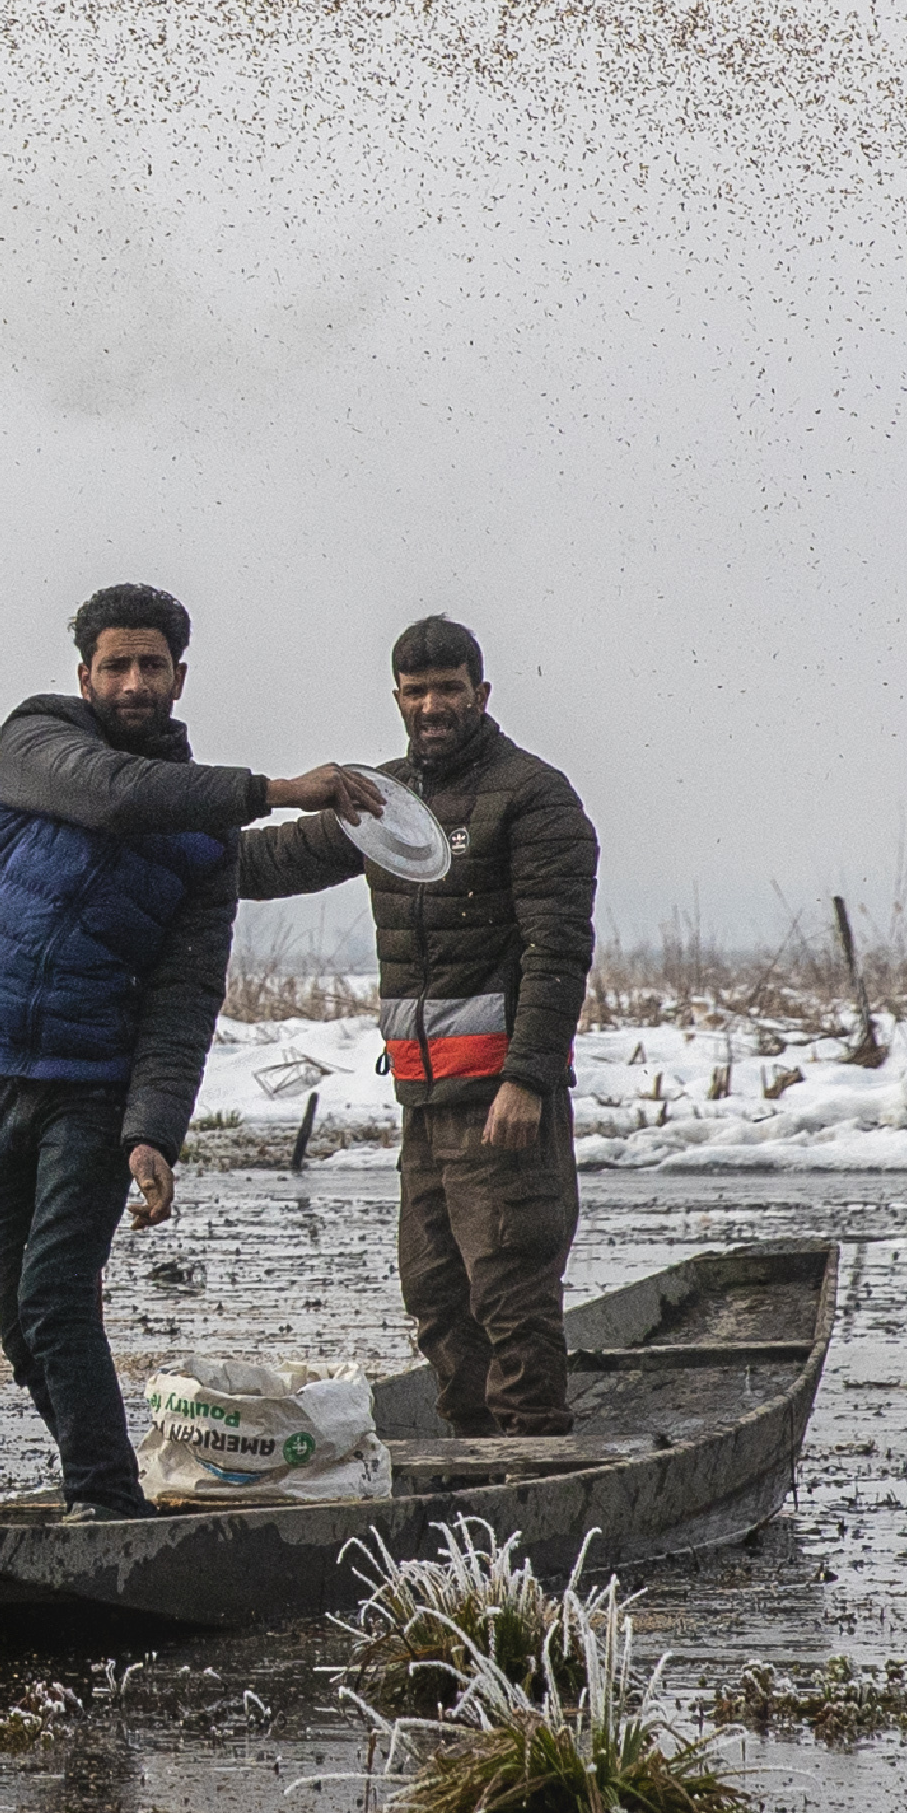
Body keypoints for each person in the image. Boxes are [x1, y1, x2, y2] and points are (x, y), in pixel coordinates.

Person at [0, 583, 389, 1517]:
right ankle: (99, 1484)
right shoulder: (36, 743)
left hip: (91, 1094)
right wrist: (275, 791)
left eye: (152, 665)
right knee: (23, 1334)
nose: (134, 681)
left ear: (180, 678)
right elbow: (118, 798)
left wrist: (153, 1131)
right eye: (116, 664)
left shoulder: (203, 838)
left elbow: (182, 1000)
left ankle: (105, 1506)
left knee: (55, 1299)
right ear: (85, 675)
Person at [238, 613, 600, 1436]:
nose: (432, 705)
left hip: (504, 1103)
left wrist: (528, 1077)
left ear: (481, 693)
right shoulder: (382, 800)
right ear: (397, 699)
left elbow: (558, 949)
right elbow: (266, 864)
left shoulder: (534, 796)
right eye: (416, 691)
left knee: (510, 1291)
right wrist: (160, 847)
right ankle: (468, 1465)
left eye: (449, 688)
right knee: (435, 1296)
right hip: (424, 1101)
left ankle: (532, 1461)